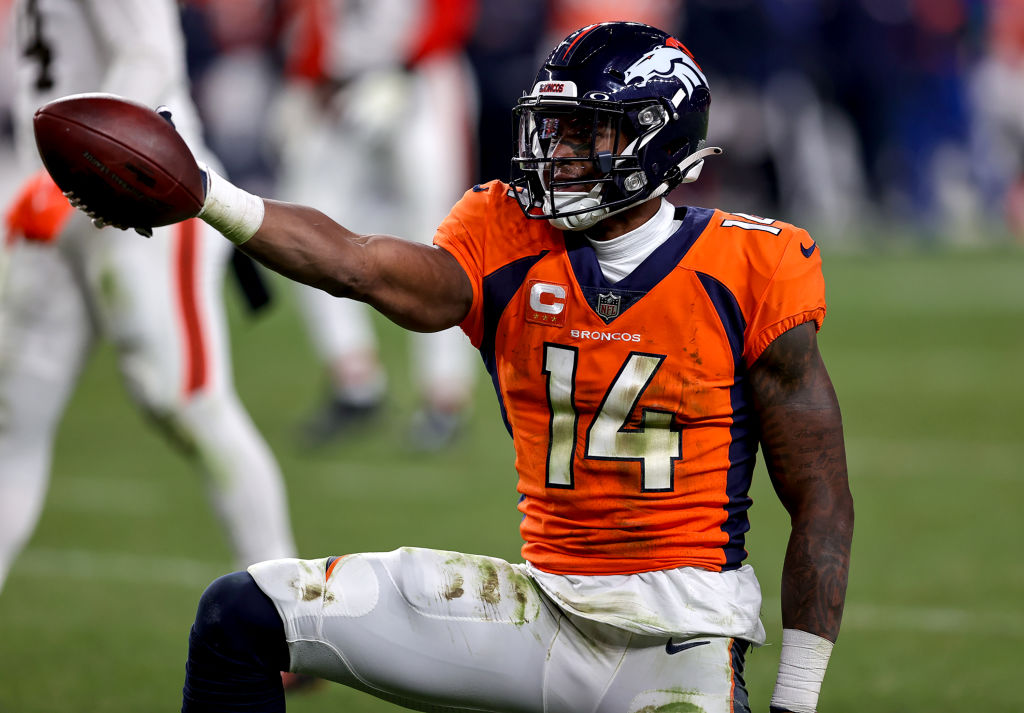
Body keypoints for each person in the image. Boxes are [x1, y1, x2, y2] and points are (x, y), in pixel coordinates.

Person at [66, 21, 854, 713]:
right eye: (556, 130)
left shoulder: (753, 264)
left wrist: (799, 696)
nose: (561, 154)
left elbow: (820, 497)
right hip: (538, 614)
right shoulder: (505, 231)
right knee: (239, 616)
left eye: (588, 133)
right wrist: (210, 196)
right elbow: (362, 266)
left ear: (658, 137)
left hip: (678, 638)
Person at [0, 0, 298, 595]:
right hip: (47, 200)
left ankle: (287, 609)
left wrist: (75, 172)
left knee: (186, 402)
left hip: (141, 194)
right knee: (9, 419)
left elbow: (151, 54)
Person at [273, 0, 481, 449]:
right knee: (305, 221)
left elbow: (453, 11)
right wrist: (306, 76)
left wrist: (405, 65)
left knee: (445, 232)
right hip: (343, 83)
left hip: (422, 78)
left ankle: (444, 394)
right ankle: (354, 377)